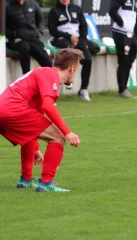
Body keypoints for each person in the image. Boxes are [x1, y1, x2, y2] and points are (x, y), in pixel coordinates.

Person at [0, 48, 82, 192]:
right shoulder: (50, 75)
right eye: (77, 69)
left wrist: (37, 149)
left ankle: (26, 180)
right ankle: (46, 183)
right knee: (58, 138)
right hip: (13, 109)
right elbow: (48, 107)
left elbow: (36, 118)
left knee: (31, 135)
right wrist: (67, 132)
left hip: (4, 109)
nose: (76, 74)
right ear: (72, 68)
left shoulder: (42, 73)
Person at [48, 0, 98, 102]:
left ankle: (83, 89)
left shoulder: (76, 9)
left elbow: (84, 26)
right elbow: (52, 30)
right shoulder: (54, 12)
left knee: (88, 59)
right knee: (70, 51)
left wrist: (82, 39)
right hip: (61, 39)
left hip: (78, 39)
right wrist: (69, 36)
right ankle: (67, 79)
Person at [5, 0, 52, 74]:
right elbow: (3, 28)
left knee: (46, 60)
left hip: (33, 38)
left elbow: (41, 19)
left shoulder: (33, 4)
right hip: (17, 40)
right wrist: (14, 34)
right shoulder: (7, 8)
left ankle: (50, 82)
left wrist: (39, 31)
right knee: (24, 47)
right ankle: (26, 76)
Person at [109, 0, 137, 99]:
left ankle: (124, 88)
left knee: (130, 61)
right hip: (120, 33)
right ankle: (121, 90)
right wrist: (121, 23)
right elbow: (112, 11)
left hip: (131, 34)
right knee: (123, 60)